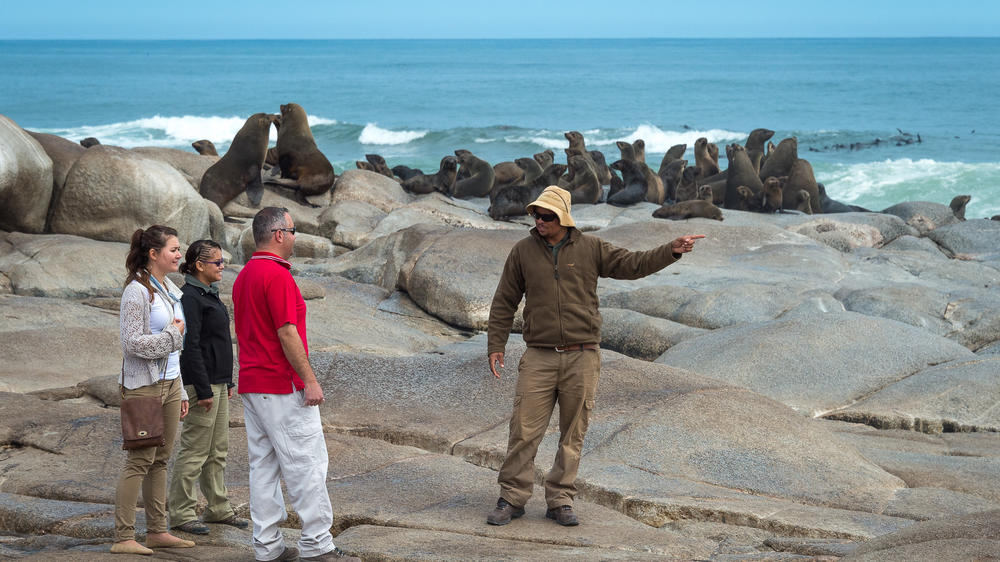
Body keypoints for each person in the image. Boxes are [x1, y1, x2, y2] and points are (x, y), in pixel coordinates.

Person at [485, 186, 705, 527]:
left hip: (582, 355)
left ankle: (560, 500)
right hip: (539, 356)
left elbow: (633, 264)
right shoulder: (523, 252)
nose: (539, 221)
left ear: (563, 218)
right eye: (535, 215)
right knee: (524, 431)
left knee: (573, 432)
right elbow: (504, 302)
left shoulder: (591, 248)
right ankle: (511, 498)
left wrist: (671, 251)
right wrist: (496, 345)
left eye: (546, 216)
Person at [233, 207, 359, 562]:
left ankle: (267, 546)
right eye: (292, 231)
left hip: (253, 383)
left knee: (264, 466)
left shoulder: (244, 275)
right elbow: (287, 333)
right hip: (279, 384)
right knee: (306, 464)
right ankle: (318, 545)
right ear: (277, 235)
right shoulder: (277, 276)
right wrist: (310, 380)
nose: (294, 237)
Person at [113, 225, 195, 555]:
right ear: (153, 254)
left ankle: (158, 530)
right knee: (139, 460)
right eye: (174, 249)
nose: (179, 254)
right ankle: (123, 537)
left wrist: (183, 390)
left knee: (161, 459)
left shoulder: (167, 286)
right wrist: (172, 338)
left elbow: (175, 340)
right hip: (144, 386)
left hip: (171, 384)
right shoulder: (136, 291)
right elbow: (131, 344)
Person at [168, 240, 249, 534]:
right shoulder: (190, 297)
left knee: (217, 450)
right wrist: (201, 390)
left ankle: (217, 508)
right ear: (199, 266)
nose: (222, 267)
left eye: (222, 262)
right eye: (217, 263)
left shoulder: (209, 294)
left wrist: (227, 381)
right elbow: (191, 347)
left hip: (218, 382)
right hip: (201, 385)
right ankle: (181, 513)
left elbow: (217, 343)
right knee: (195, 450)